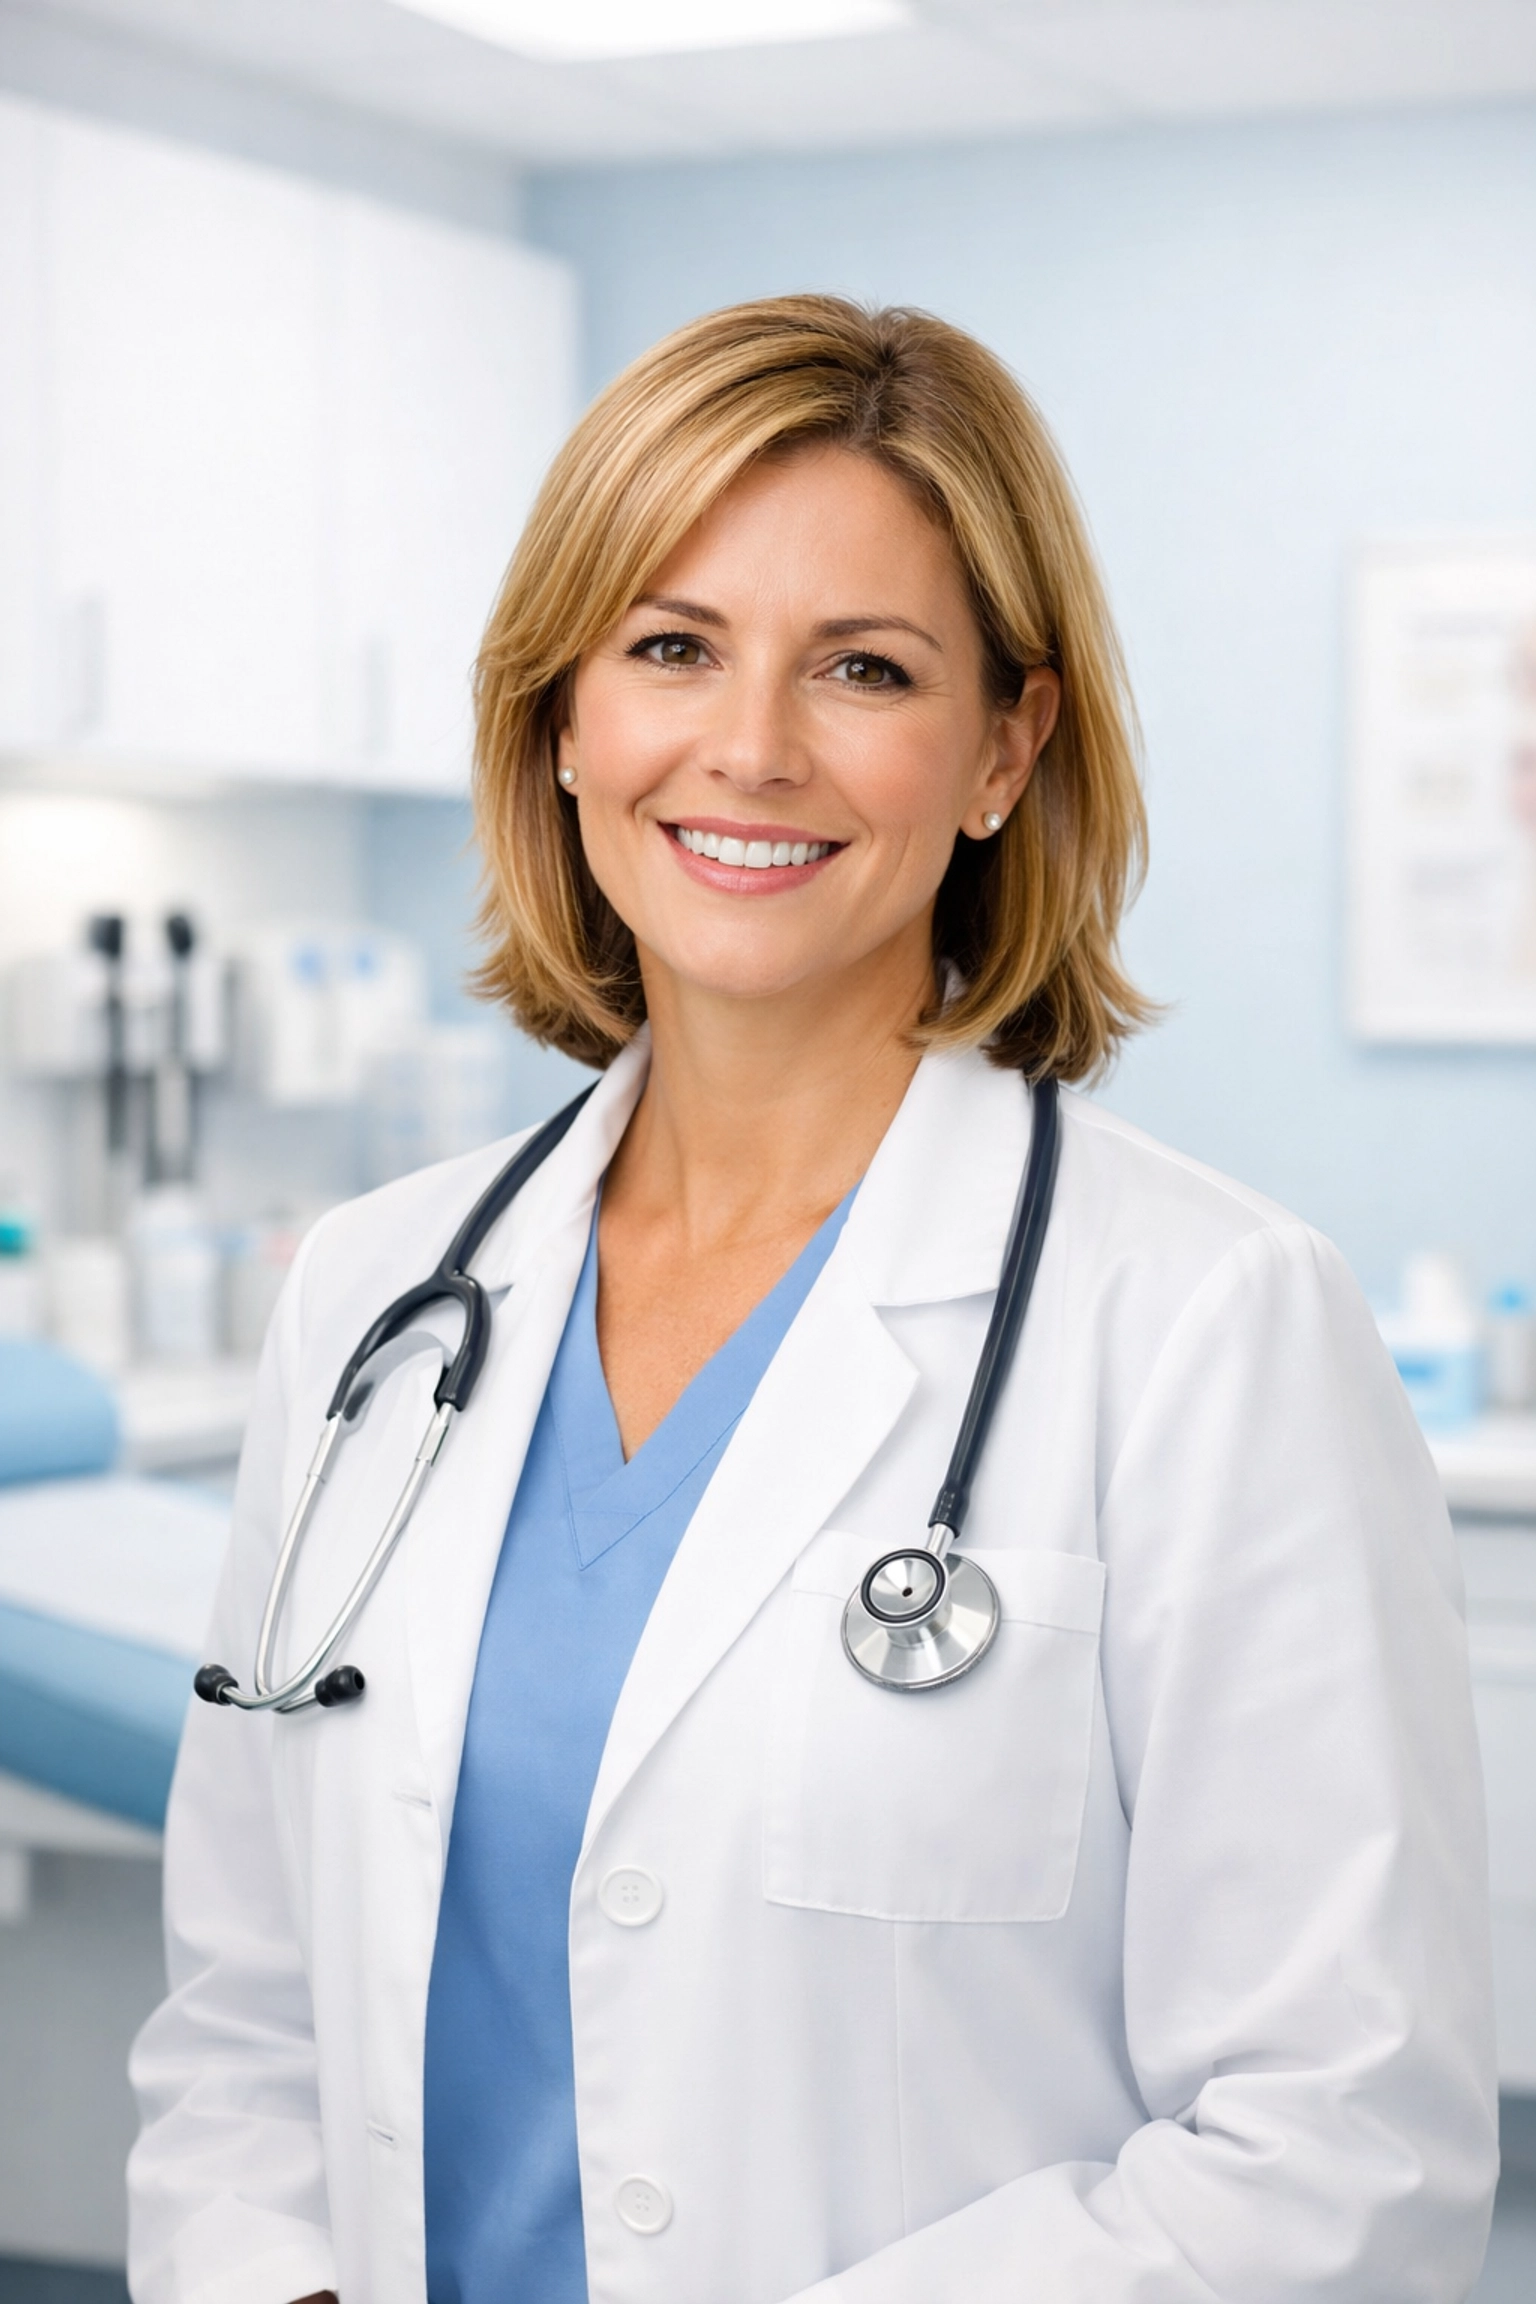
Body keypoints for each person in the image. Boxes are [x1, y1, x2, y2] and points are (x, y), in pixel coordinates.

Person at [128, 296, 1498, 2304]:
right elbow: (247, 2017)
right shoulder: (373, 1298)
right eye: (672, 646)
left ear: (1004, 747)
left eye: (865, 668)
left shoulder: (1207, 1327)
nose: (749, 748)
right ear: (567, 715)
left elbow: (1336, 2151)